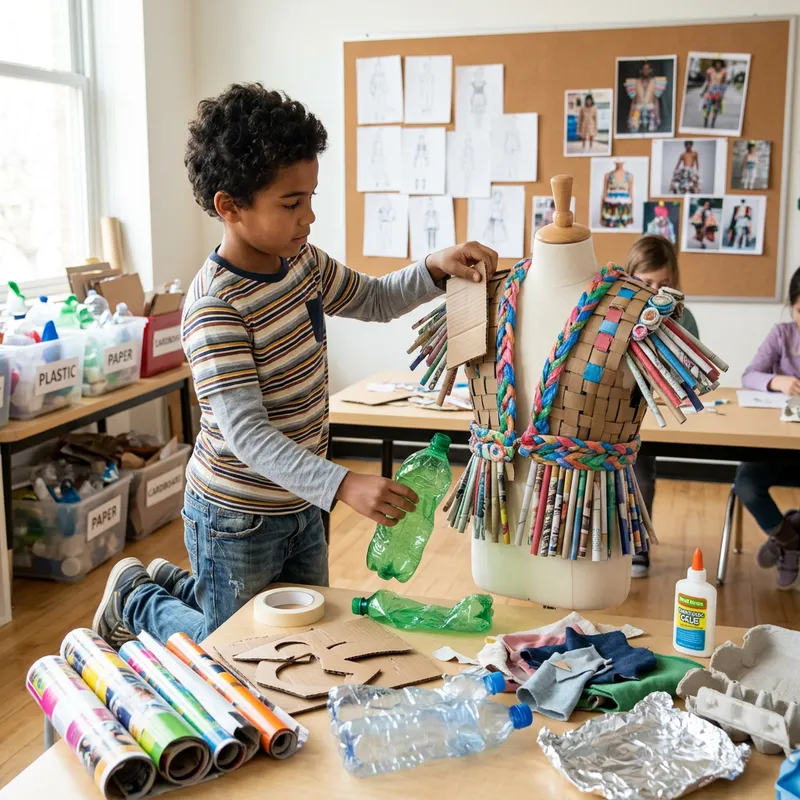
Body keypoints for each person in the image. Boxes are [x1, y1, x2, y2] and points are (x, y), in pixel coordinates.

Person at [92, 83, 498, 648]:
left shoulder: (299, 260)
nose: (310, 216)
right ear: (229, 207)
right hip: (237, 516)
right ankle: (135, 601)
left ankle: (173, 587)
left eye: (310, 196)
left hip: (302, 501)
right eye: (291, 203)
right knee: (235, 650)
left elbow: (374, 298)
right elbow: (249, 435)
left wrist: (432, 267)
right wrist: (343, 485)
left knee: (306, 633)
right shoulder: (216, 307)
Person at [624, 235, 699, 578]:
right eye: (645, 282)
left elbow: (693, 371)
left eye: (664, 284)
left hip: (655, 412)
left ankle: (638, 546)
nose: (655, 291)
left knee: (642, 473)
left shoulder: (683, 318)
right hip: (614, 408)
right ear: (629, 277)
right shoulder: (616, 312)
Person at [734, 267, 800, 591]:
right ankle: (790, 540)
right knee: (746, 484)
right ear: (792, 306)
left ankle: (791, 528)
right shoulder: (782, 335)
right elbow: (749, 376)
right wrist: (777, 380)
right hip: (774, 444)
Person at [623, 60, 667, 134]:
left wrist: (658, 116)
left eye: (648, 69)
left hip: (651, 109)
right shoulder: (635, 82)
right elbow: (633, 101)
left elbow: (656, 101)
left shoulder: (655, 82)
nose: (646, 71)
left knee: (652, 130)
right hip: (638, 109)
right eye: (644, 69)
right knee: (634, 128)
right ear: (641, 70)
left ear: (651, 70)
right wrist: (630, 116)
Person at [700, 59, 728, 129]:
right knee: (707, 109)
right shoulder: (710, 71)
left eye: (720, 64)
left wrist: (722, 94)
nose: (718, 65)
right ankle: (705, 125)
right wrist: (703, 91)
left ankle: (712, 125)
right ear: (714, 64)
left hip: (718, 94)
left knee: (715, 110)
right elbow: (707, 82)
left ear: (722, 64)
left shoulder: (724, 72)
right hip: (710, 93)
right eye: (717, 63)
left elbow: (724, 84)